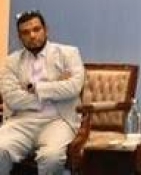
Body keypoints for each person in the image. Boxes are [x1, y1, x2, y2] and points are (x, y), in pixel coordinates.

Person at [0, 10, 85, 175]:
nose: (32, 35)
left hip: (58, 120)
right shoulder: (12, 61)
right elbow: (12, 98)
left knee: (51, 157)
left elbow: (74, 87)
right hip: (21, 120)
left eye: (36, 29)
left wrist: (35, 88)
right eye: (25, 32)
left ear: (46, 30)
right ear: (19, 37)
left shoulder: (68, 54)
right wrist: (56, 87)